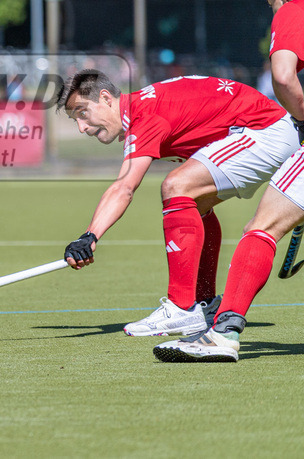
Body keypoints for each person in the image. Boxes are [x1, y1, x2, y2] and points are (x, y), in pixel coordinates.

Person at [58, 69, 299, 337]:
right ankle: (204, 304)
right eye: (75, 120)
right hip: (271, 130)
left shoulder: (144, 116)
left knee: (176, 186)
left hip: (264, 131)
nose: (82, 127)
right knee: (195, 203)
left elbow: (125, 187)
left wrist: (90, 236)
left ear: (105, 98)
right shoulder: (144, 107)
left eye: (82, 114)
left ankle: (181, 308)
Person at [155, 0, 304, 362]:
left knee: (262, 228)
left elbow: (283, 75)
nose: (272, 5)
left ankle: (223, 334)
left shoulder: (293, 9)